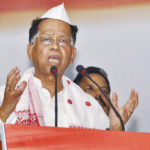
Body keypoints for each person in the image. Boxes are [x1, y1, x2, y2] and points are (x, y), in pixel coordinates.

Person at [0, 4, 138, 131]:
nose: (55, 46)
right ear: (30, 51)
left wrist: (114, 131)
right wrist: (5, 111)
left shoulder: (89, 108)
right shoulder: (3, 97)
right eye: (47, 40)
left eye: (63, 41)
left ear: (72, 55)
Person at [74, 66, 138, 128]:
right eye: (89, 89)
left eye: (104, 91)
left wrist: (116, 130)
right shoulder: (65, 122)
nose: (99, 94)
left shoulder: (115, 132)